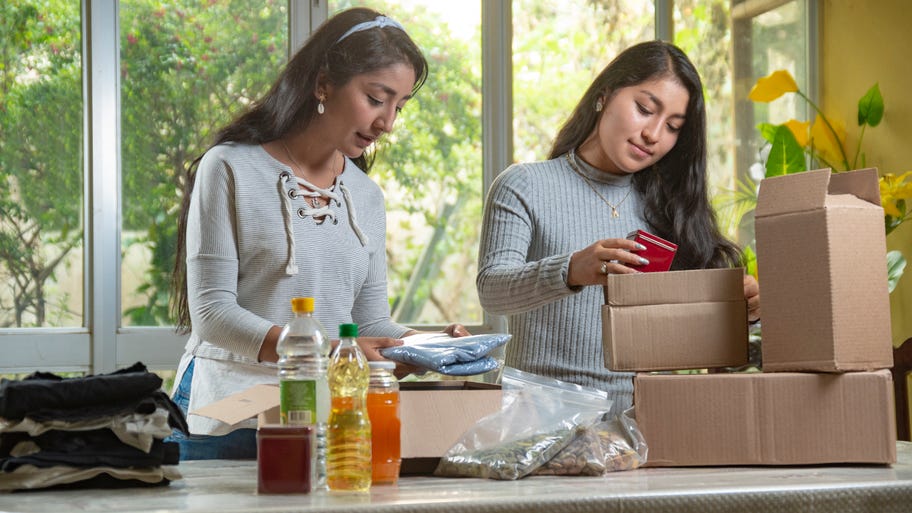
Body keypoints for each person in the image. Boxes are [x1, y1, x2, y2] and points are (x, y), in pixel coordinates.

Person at [168, 7, 467, 460]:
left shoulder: (365, 196)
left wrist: (424, 347)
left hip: (319, 415)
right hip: (225, 413)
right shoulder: (229, 167)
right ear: (323, 83)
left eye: (398, 106)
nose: (388, 122)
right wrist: (330, 351)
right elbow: (212, 313)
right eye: (376, 98)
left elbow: (368, 324)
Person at [476, 40, 761, 411]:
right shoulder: (525, 185)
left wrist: (743, 312)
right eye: (645, 109)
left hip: (644, 426)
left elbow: (695, 343)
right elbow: (492, 290)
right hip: (538, 419)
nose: (654, 135)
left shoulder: (672, 208)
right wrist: (570, 270)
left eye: (673, 126)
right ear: (604, 95)